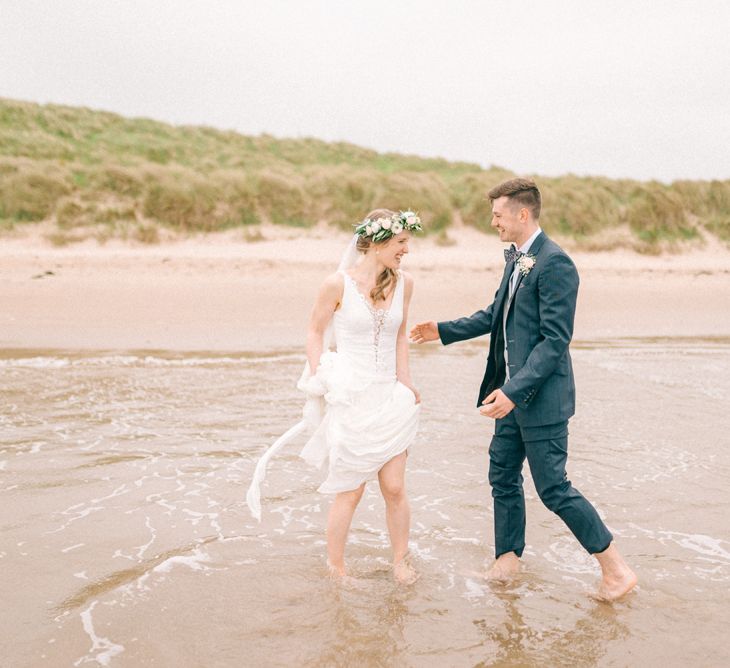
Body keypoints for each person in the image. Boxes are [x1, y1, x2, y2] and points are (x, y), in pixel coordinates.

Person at [410, 178, 637, 601]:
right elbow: (496, 314)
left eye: (497, 214)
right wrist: (443, 331)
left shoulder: (555, 263)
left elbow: (555, 342)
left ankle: (616, 570)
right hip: (510, 397)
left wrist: (514, 391)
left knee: (553, 488)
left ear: (522, 214)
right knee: (502, 475)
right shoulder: (517, 260)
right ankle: (508, 559)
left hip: (540, 400)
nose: (493, 221)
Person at [247, 208, 422, 584]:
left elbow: (400, 334)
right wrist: (322, 374)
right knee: (351, 491)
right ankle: (337, 568)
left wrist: (406, 381)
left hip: (390, 398)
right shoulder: (336, 284)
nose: (406, 250)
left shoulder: (405, 284)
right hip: (351, 397)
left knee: (394, 487)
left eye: (408, 242)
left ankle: (400, 561)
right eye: (401, 242)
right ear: (377, 242)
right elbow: (314, 332)